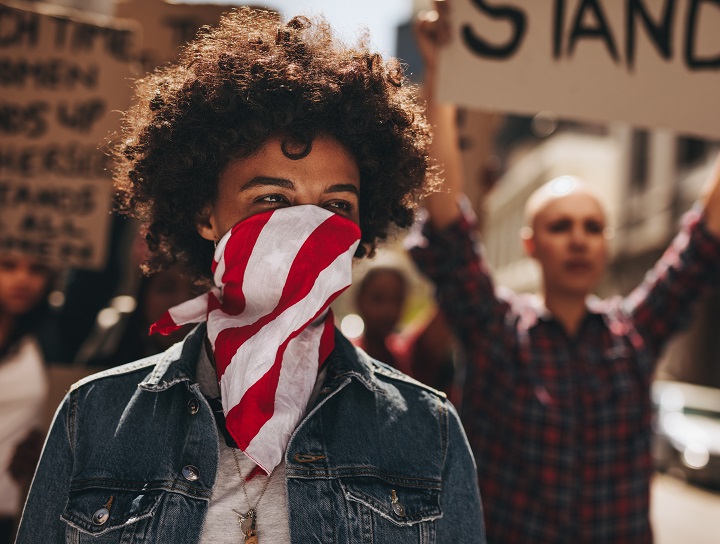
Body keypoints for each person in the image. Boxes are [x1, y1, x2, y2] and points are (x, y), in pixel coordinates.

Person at [16, 8, 485, 544]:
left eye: (336, 206)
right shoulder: (95, 417)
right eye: (271, 199)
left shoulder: (429, 430)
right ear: (205, 214)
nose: (308, 228)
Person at [410, 1, 720, 542]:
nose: (578, 238)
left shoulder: (637, 335)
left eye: (592, 226)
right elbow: (447, 223)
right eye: (561, 227)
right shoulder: (495, 331)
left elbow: (701, 245)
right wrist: (441, 76)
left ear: (606, 244)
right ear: (530, 244)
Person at [0, 253, 54, 544]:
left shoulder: (54, 341)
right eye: (7, 265)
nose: (23, 279)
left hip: (15, 512)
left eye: (37, 268)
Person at [351, 261, 456, 396]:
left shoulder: (408, 354)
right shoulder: (344, 354)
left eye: (397, 300)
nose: (388, 310)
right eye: (378, 299)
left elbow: (449, 301)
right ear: (359, 300)